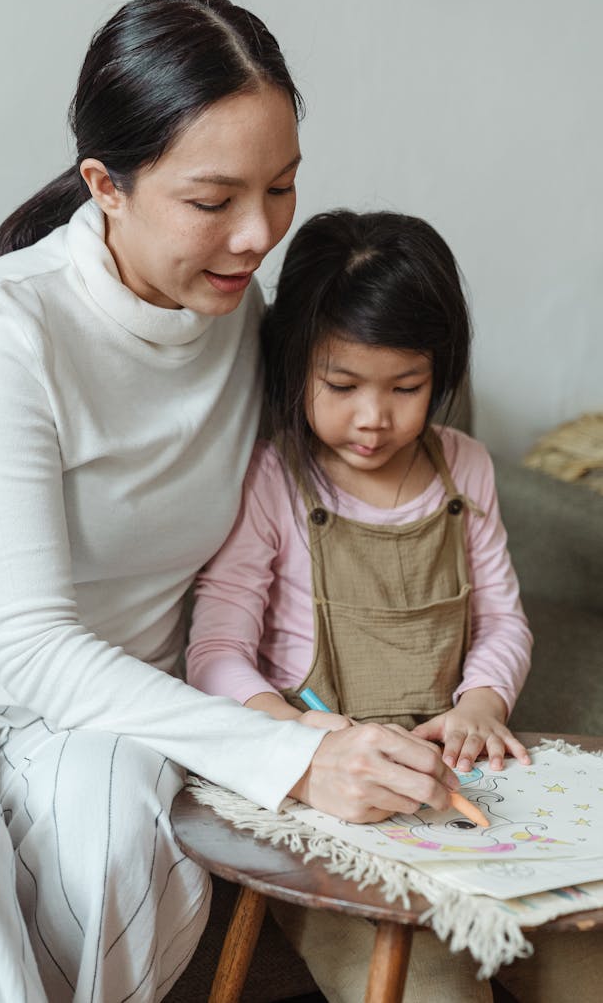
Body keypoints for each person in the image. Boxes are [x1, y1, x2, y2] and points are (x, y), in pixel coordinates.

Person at [0, 0, 460, 1003]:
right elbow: (35, 645)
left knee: (117, 841)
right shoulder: (8, 329)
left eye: (282, 188)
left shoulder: (243, 314)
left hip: (115, 712)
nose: (257, 234)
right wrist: (288, 758)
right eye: (213, 201)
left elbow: (327, 503)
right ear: (108, 186)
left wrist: (320, 715)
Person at [187, 208, 602, 1000]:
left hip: (445, 782)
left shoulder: (465, 469)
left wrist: (483, 700)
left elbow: (504, 620)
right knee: (433, 987)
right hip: (328, 807)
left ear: (441, 374)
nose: (373, 417)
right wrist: (293, 734)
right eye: (341, 386)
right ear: (294, 368)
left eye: (406, 387)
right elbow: (214, 651)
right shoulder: (274, 478)